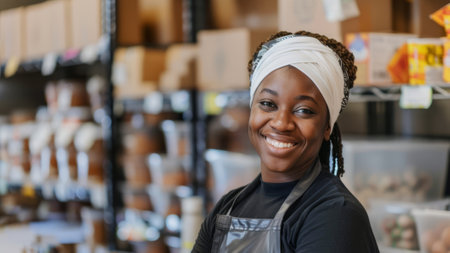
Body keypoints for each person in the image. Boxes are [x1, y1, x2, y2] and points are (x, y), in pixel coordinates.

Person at [192, 30, 379, 253]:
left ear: (327, 126)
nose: (281, 123)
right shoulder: (229, 207)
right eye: (268, 104)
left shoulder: (335, 215)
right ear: (252, 108)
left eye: (304, 110)